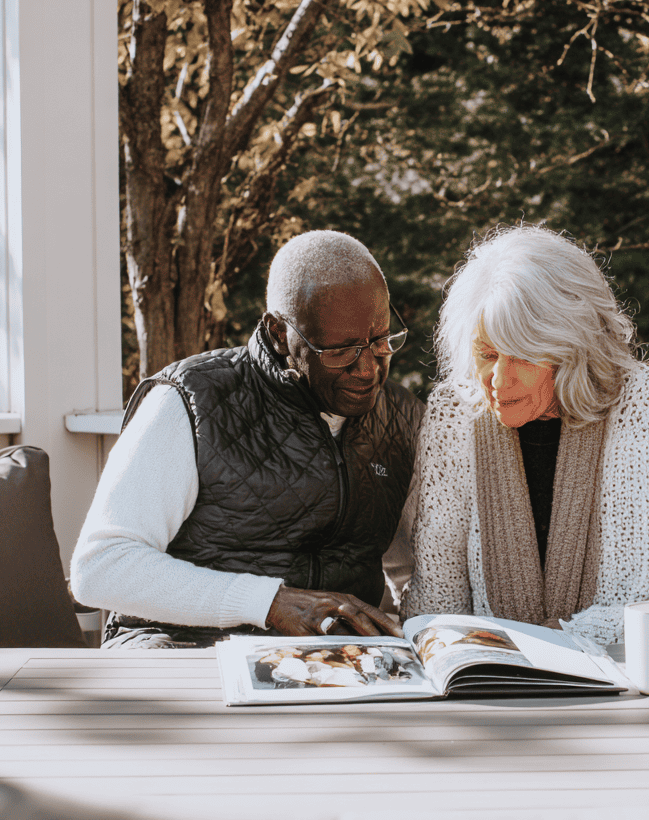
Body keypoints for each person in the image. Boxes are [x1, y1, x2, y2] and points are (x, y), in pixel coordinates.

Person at [402, 224, 649, 645]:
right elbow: (436, 604)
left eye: (522, 355)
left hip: (634, 684)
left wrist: (581, 635)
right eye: (487, 354)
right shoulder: (456, 415)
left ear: (571, 348)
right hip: (497, 686)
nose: (498, 380)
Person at [71, 231, 423, 647]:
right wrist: (270, 604)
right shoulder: (192, 400)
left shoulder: (400, 416)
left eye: (381, 340)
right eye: (341, 350)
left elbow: (412, 570)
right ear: (278, 332)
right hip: (173, 646)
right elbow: (100, 567)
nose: (368, 369)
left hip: (330, 660)